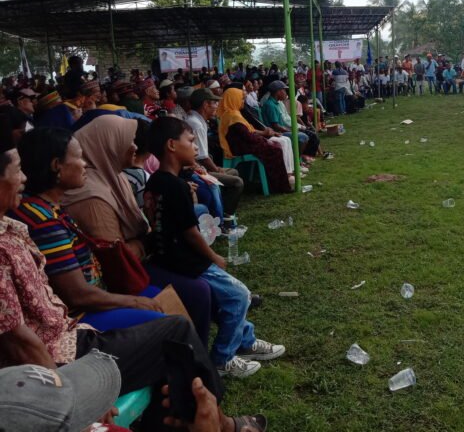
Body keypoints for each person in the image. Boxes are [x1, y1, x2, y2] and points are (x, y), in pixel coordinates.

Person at [0, 142, 266, 431]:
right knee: (175, 330)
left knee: (185, 312)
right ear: (56, 166)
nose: (23, 178)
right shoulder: (34, 224)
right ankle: (220, 422)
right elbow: (20, 340)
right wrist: (69, 397)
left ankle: (199, 414)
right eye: (16, 171)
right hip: (63, 350)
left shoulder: (21, 223)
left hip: (69, 331)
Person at [144, 116, 285, 378]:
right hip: (185, 261)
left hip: (169, 257)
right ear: (172, 145)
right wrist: (213, 256)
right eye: (190, 141)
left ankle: (246, 341)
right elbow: (189, 231)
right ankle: (222, 359)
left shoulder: (155, 182)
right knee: (239, 295)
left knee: (229, 297)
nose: (196, 146)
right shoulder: (175, 186)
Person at [62, 116, 213, 346]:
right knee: (198, 290)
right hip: (120, 278)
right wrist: (148, 240)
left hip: (143, 259)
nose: (135, 146)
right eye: (127, 141)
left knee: (203, 279)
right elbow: (118, 257)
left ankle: (222, 341)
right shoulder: (91, 196)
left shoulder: (115, 177)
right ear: (108, 144)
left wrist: (149, 237)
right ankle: (193, 362)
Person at [11, 127, 165, 332]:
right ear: (57, 166)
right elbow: (77, 295)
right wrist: (133, 302)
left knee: (158, 296)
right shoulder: (44, 222)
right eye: (80, 158)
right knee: (163, 320)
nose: (85, 165)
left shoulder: (47, 207)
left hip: (93, 301)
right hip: (77, 316)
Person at [217, 88, 294, 193]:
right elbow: (248, 136)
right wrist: (264, 139)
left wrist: (263, 138)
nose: (243, 102)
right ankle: (279, 187)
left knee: (274, 146)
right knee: (275, 151)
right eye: (241, 99)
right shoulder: (233, 116)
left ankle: (280, 183)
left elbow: (248, 132)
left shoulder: (232, 113)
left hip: (242, 144)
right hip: (240, 147)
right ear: (233, 99)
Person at [186, 89, 244, 217]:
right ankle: (225, 217)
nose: (217, 106)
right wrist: (217, 170)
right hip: (195, 171)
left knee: (233, 172)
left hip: (199, 167)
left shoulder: (197, 120)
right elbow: (202, 157)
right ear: (205, 105)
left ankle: (222, 207)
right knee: (237, 183)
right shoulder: (196, 124)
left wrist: (217, 169)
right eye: (214, 103)